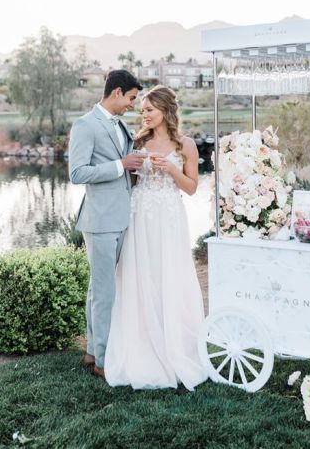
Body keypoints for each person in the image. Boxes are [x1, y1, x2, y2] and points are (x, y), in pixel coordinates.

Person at [104, 85, 208, 390]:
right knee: (140, 275)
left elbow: (191, 188)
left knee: (169, 275)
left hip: (169, 218)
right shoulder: (137, 141)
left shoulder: (185, 144)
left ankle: (175, 342)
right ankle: (142, 342)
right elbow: (130, 180)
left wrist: (172, 170)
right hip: (140, 216)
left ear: (164, 110)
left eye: (149, 109)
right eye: (142, 110)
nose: (144, 114)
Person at [68, 69, 144, 379]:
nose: (132, 105)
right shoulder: (85, 125)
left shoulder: (121, 125)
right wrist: (120, 165)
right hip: (100, 220)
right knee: (104, 292)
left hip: (120, 216)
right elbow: (78, 173)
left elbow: (124, 164)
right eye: (131, 98)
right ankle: (102, 360)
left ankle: (90, 351)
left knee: (97, 289)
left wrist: (133, 168)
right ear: (116, 93)